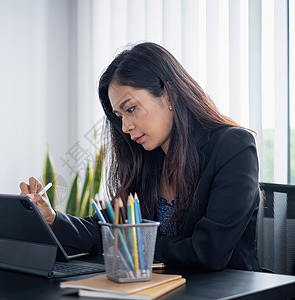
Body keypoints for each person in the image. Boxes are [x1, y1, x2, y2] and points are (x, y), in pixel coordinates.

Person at [20, 42, 261, 271]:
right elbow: (108, 228)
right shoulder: (148, 157)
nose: (125, 126)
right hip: (162, 287)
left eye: (131, 109)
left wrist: (130, 241)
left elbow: (208, 252)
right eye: (119, 115)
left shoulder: (234, 147)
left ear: (170, 95)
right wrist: (52, 219)